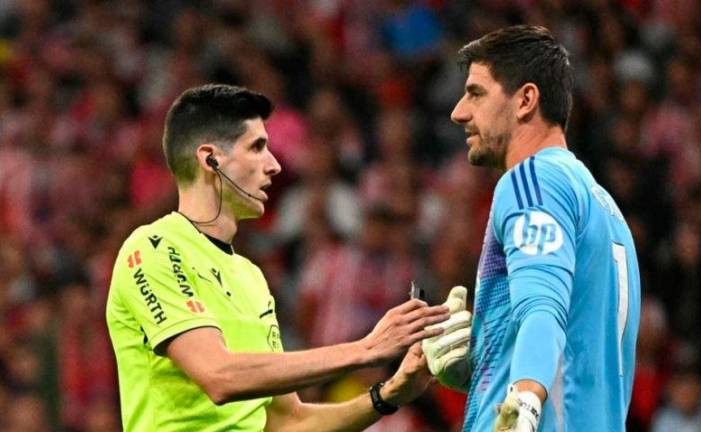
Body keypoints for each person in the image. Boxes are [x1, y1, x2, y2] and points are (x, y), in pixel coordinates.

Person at [105, 84, 451, 431]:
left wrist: (387, 394)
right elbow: (218, 375)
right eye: (257, 147)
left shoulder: (251, 277)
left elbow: (288, 422)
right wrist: (365, 350)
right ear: (211, 159)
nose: (274, 166)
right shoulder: (153, 249)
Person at [435, 25, 642, 431]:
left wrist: (523, 407)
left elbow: (542, 309)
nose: (459, 111)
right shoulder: (603, 207)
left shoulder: (531, 181)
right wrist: (478, 367)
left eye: (476, 93)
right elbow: (576, 350)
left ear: (525, 100)